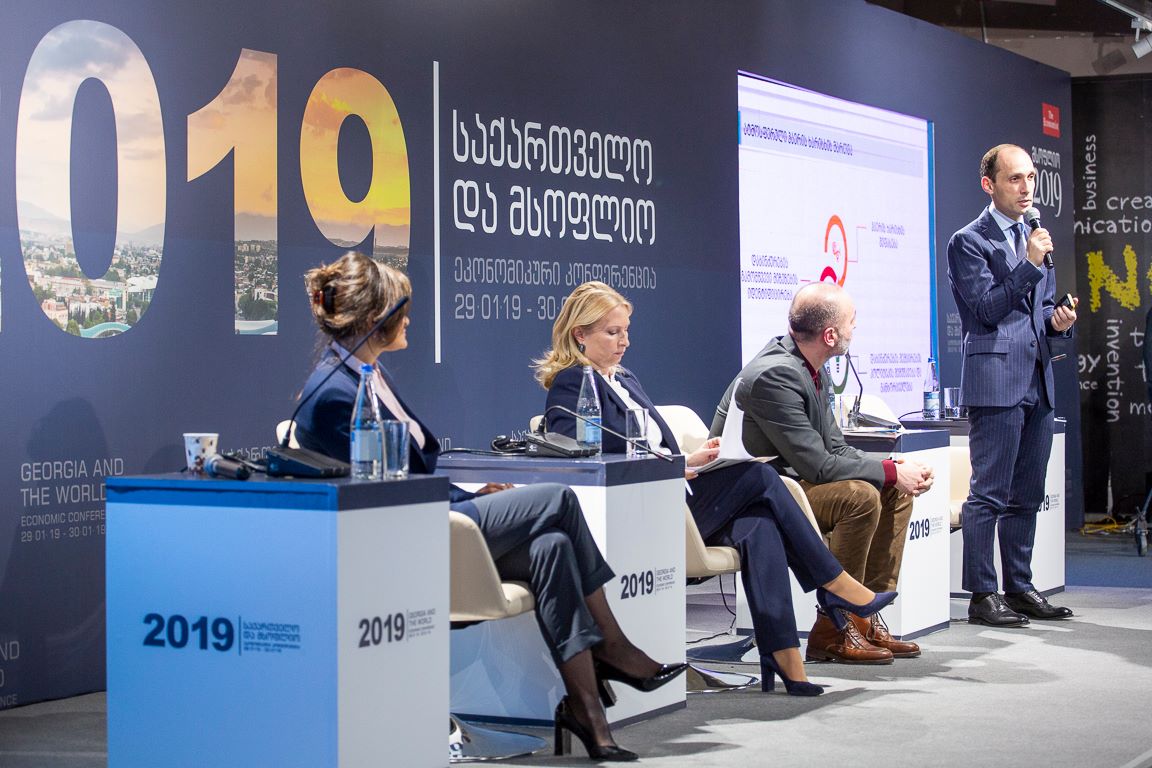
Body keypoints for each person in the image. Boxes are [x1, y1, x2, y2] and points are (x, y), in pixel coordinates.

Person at [293, 253, 684, 762]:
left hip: (440, 518)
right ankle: (612, 644)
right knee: (559, 499)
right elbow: (386, 492)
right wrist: (461, 504)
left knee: (552, 545)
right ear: (374, 317)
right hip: (412, 541)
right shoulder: (335, 393)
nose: (409, 319)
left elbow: (408, 474)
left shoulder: (367, 375)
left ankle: (587, 711)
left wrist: (472, 497)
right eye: (402, 309)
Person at [536, 281, 896, 695]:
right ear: (580, 334)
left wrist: (690, 460)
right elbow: (581, 457)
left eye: (626, 331)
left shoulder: (625, 379)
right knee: (761, 477)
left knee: (758, 525)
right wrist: (678, 467)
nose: (625, 342)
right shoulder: (572, 384)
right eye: (612, 332)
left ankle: (785, 657)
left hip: (676, 495)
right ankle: (834, 584)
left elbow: (650, 447)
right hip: (640, 508)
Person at [710, 282, 934, 663]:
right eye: (851, 321)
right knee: (860, 497)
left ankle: (864, 618)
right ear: (830, 335)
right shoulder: (775, 376)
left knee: (893, 490)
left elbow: (836, 449)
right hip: (755, 497)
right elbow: (818, 465)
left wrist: (893, 469)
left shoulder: (812, 368)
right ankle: (834, 625)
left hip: (791, 483)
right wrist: (889, 472)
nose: (855, 327)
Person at [947, 144, 1077, 626]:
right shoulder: (968, 241)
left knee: (1027, 492)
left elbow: (1037, 310)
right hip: (996, 380)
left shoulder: (1033, 237)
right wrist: (1029, 263)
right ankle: (983, 595)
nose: (1026, 189)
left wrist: (1058, 323)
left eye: (1031, 178)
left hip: (1037, 378)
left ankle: (1019, 587)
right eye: (1015, 179)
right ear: (990, 184)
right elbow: (985, 309)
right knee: (989, 493)